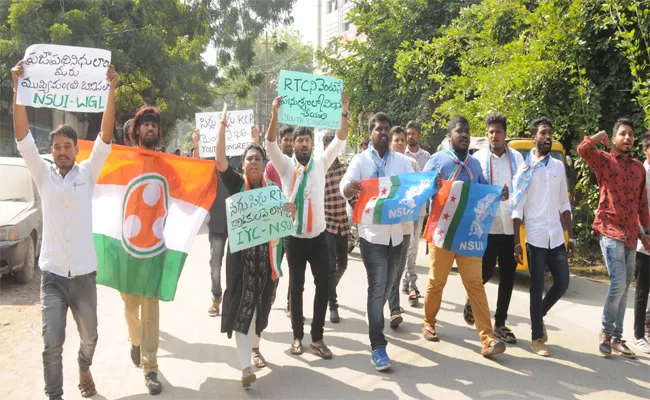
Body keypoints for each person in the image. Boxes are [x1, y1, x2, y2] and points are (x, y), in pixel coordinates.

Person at [11, 60, 118, 400]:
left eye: (66, 146)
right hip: (53, 275)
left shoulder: (88, 173)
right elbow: (23, 138)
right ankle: (54, 396)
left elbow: (105, 136)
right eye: (55, 147)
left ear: (75, 149)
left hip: (84, 275)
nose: (60, 152)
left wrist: (110, 88)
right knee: (51, 342)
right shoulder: (42, 174)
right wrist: (18, 88)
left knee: (90, 338)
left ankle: (84, 366)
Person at [212, 104, 295, 388]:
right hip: (241, 267)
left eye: (258, 158)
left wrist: (290, 210)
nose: (254, 162)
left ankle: (254, 349)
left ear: (263, 163)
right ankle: (246, 367)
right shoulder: (236, 185)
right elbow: (220, 159)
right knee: (242, 312)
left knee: (260, 313)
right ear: (243, 164)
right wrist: (222, 126)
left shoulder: (273, 191)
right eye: (249, 158)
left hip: (266, 265)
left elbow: (283, 221)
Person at [266, 94, 349, 360]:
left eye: (306, 140)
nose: (302, 143)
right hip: (294, 238)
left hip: (319, 237)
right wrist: (275, 114)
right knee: (297, 287)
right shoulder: (287, 166)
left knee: (323, 286)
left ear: (312, 144)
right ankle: (297, 337)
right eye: (299, 140)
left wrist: (343, 111)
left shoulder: (321, 163)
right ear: (294, 144)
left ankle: (317, 337)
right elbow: (269, 145)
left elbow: (340, 140)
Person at [422, 116, 507, 357]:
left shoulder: (475, 165)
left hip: (468, 234)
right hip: (443, 232)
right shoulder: (437, 161)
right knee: (437, 280)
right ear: (450, 136)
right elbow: (424, 189)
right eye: (460, 131)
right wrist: (433, 185)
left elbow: (483, 192)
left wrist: (498, 194)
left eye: (467, 131)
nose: (465, 135)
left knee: (475, 284)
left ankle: (487, 338)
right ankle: (429, 321)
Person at [341, 113, 414, 371]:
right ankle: (377, 345)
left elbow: (414, 187)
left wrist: (431, 185)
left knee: (390, 283)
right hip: (372, 235)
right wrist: (349, 187)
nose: (383, 133)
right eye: (378, 129)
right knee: (378, 284)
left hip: (398, 234)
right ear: (371, 133)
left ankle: (374, 314)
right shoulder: (360, 160)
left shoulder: (404, 162)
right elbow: (345, 184)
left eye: (386, 129)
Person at [577, 117, 650, 358]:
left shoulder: (639, 168)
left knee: (625, 287)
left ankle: (618, 338)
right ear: (615, 138)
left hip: (631, 235)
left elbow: (642, 205)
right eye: (622, 134)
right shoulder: (605, 160)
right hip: (609, 229)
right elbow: (583, 149)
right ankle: (606, 333)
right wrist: (599, 136)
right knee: (618, 282)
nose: (627, 137)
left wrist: (645, 233)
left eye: (630, 134)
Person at [512, 117, 574, 357]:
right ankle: (537, 337)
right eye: (543, 133)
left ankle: (539, 315)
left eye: (550, 133)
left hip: (556, 236)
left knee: (562, 282)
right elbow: (517, 208)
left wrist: (571, 236)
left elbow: (563, 204)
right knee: (536, 285)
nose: (548, 137)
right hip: (536, 236)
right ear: (534, 137)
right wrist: (517, 242)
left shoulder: (558, 167)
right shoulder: (525, 170)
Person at [122, 104, 167, 394]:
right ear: (136, 130)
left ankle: (151, 368)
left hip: (155, 249)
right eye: (145, 124)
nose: (150, 128)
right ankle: (135, 340)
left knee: (151, 309)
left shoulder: (166, 164)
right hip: (127, 249)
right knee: (130, 306)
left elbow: (186, 188)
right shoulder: (124, 160)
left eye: (154, 125)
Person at [469, 114, 524, 344]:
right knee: (486, 271)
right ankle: (471, 301)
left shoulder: (517, 158)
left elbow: (522, 189)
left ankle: (500, 323)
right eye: (490, 132)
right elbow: (473, 189)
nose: (494, 136)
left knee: (508, 275)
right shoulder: (479, 158)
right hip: (487, 226)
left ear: (505, 134)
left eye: (498, 131)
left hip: (509, 226)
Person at [386, 126, 420, 329]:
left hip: (406, 223)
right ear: (390, 142)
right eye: (396, 140)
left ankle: (392, 305)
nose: (399, 143)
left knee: (398, 269)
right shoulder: (385, 163)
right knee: (389, 268)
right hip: (387, 225)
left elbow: (418, 190)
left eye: (402, 140)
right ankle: (394, 309)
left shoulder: (412, 164)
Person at [263, 125, 295, 316]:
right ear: (280, 142)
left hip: (295, 225)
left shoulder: (301, 164)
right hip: (276, 225)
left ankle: (292, 304)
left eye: (293, 139)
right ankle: (271, 290)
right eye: (286, 139)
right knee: (274, 263)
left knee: (294, 267)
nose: (290, 143)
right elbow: (265, 192)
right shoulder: (270, 166)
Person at [322, 131, 350, 324]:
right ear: (325, 149)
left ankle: (327, 289)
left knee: (344, 265)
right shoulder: (318, 171)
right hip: (327, 225)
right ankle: (333, 305)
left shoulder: (346, 170)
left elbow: (353, 195)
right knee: (331, 267)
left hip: (343, 224)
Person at [402, 120, 430, 304]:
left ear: (419, 135)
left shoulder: (427, 157)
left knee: (413, 247)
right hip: (401, 209)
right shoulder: (400, 154)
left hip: (419, 209)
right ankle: (408, 282)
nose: (410, 137)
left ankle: (409, 282)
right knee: (404, 247)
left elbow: (428, 182)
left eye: (413, 133)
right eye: (408, 133)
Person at [633, 132, 650, 353]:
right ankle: (638, 334)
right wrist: (643, 234)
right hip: (643, 238)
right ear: (646, 149)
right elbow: (636, 208)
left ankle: (647, 326)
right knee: (642, 290)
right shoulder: (641, 173)